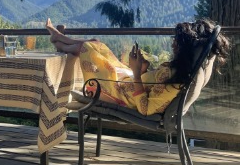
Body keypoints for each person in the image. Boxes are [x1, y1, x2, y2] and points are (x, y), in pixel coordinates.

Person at [46, 18, 230, 116]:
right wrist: (142, 70)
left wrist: (135, 72)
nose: (173, 44)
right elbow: (152, 86)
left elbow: (145, 109)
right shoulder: (179, 71)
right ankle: (59, 39)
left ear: (187, 49)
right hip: (128, 82)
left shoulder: (175, 80)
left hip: (118, 90)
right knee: (96, 43)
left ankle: (59, 40)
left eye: (177, 42)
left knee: (88, 47)